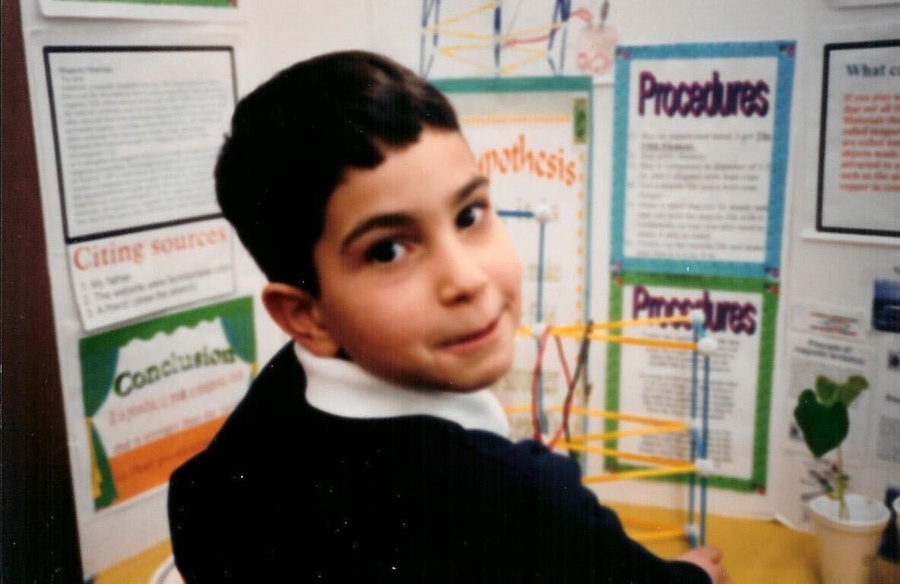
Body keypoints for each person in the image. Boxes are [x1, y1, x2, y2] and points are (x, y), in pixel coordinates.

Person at [167, 49, 729, 583]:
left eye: (470, 214)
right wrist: (697, 577)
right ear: (306, 315)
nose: (466, 278)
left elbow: (194, 499)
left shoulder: (282, 395)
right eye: (388, 250)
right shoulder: (518, 501)